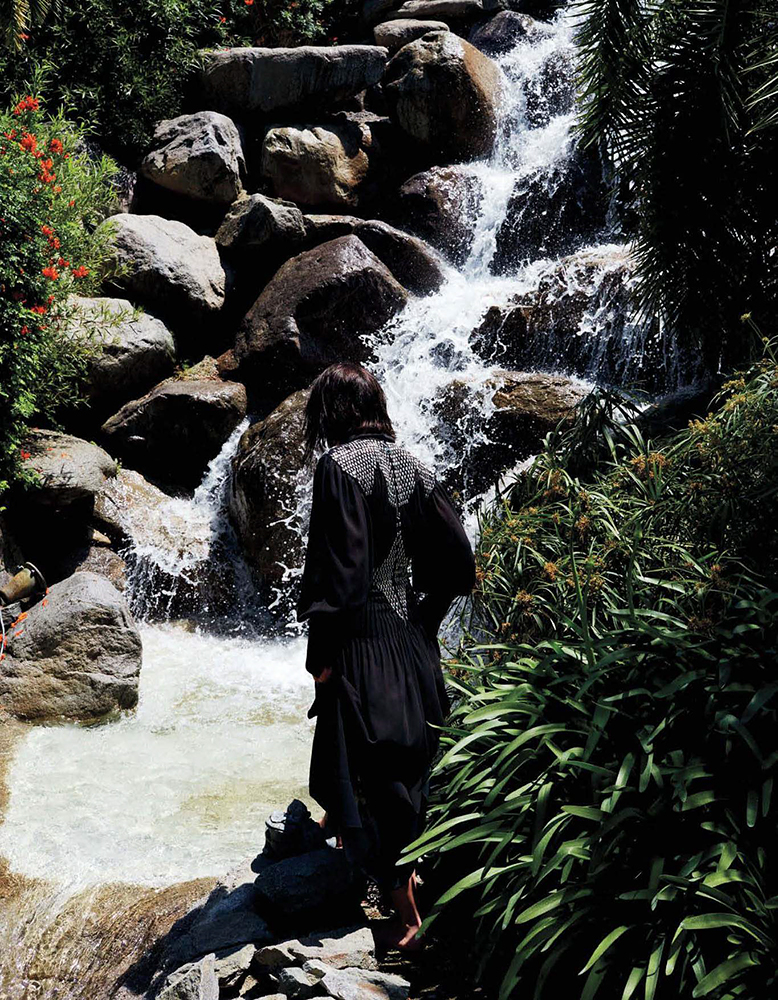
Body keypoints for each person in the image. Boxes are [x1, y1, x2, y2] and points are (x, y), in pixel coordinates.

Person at [297, 362, 476, 951]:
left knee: (377, 772)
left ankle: (407, 917)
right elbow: (460, 563)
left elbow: (343, 577)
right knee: (405, 764)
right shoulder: (418, 466)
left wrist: (323, 651)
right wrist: (423, 622)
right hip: (411, 644)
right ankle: (366, 849)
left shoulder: (337, 468)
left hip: (362, 643)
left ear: (334, 414)